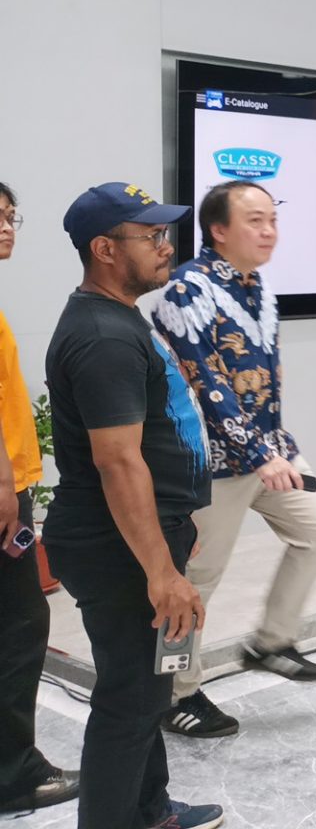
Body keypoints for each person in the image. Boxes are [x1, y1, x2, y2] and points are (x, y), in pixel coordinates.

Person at [43, 182, 224, 829]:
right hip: (115, 544)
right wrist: (161, 570)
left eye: (163, 233)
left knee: (145, 686)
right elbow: (117, 462)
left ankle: (148, 810)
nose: (165, 246)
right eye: (150, 236)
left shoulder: (118, 319)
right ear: (104, 249)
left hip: (136, 534)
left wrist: (175, 529)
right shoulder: (104, 336)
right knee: (131, 698)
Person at [155, 181, 316, 739]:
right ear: (218, 230)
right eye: (255, 221)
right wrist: (260, 454)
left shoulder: (258, 286)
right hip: (210, 461)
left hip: (267, 450)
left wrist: (274, 446)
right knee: (196, 579)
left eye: (272, 220)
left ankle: (272, 642)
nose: (269, 231)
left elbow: (265, 381)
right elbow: (206, 383)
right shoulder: (187, 290)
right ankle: (173, 694)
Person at [0, 183, 80, 817]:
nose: (6, 228)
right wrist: (6, 486)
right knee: (20, 626)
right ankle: (14, 776)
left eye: (9, 217)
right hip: (3, 493)